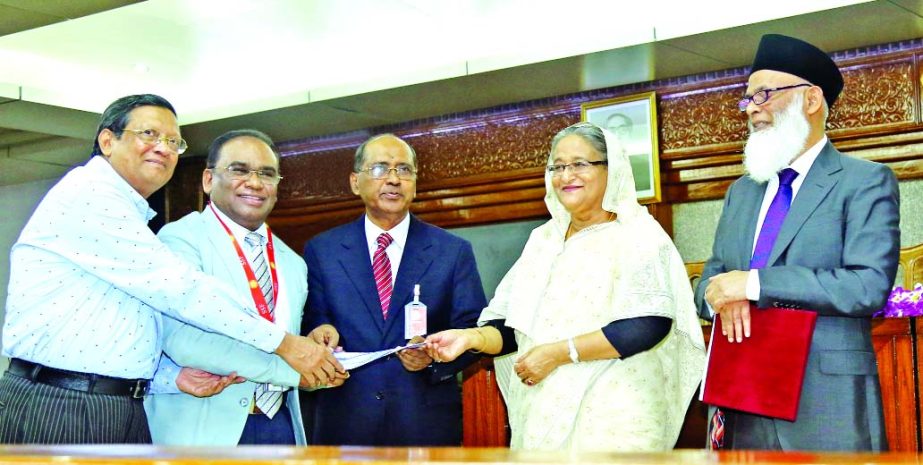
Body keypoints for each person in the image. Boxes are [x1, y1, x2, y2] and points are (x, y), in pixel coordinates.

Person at [0, 95, 340, 444]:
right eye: (149, 134)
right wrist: (285, 346)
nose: (163, 148)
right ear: (107, 141)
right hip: (65, 402)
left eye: (174, 142)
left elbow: (131, 326)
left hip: (115, 401)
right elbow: (181, 292)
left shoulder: (132, 214)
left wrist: (169, 376)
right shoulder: (91, 197)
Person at [425, 122, 705, 452]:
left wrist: (559, 354)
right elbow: (514, 327)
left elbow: (647, 324)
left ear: (610, 169)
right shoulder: (543, 240)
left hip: (616, 417)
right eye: (557, 166)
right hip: (543, 407)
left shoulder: (637, 234)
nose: (565, 175)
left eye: (579, 164)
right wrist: (470, 338)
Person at [694, 34, 900, 451]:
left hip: (825, 403)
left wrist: (753, 286)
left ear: (811, 99)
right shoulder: (742, 191)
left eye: (765, 94)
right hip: (743, 399)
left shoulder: (864, 182)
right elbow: (708, 286)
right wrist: (722, 294)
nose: (752, 108)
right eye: (748, 98)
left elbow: (866, 286)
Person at [144, 130, 345, 445]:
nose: (254, 182)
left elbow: (281, 337)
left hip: (280, 425)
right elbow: (184, 342)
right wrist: (294, 371)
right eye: (239, 170)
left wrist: (313, 349)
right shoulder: (180, 241)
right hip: (205, 430)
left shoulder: (292, 263)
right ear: (209, 180)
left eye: (267, 174)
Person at [302, 133, 487, 446]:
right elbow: (312, 318)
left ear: (415, 182)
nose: (393, 180)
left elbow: (474, 330)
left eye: (404, 170)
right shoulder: (323, 250)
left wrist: (433, 357)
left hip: (423, 424)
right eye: (379, 169)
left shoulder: (451, 251)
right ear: (354, 182)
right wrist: (319, 329)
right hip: (345, 422)